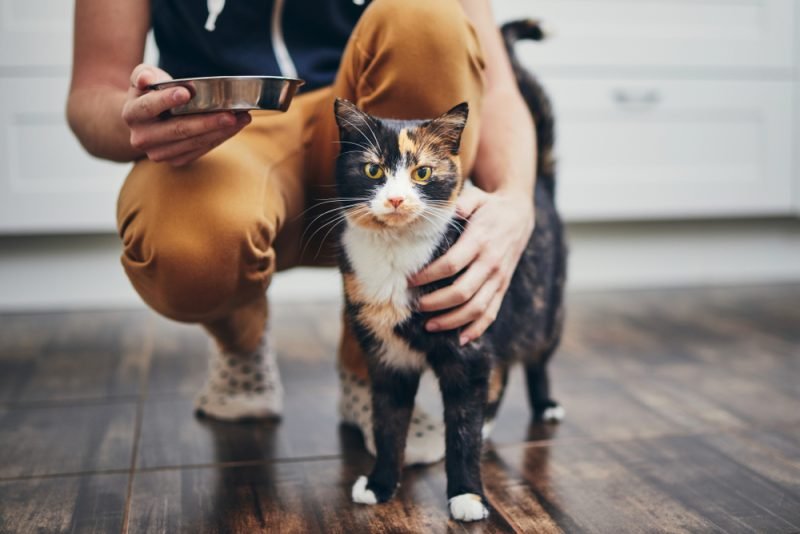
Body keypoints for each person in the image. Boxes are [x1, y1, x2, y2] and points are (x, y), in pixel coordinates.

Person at [67, 0, 536, 464]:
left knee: (427, 15)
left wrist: (516, 199)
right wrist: (138, 118)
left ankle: (372, 367)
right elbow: (93, 92)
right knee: (187, 252)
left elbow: (494, 88)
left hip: (371, 123)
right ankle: (240, 340)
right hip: (221, 130)